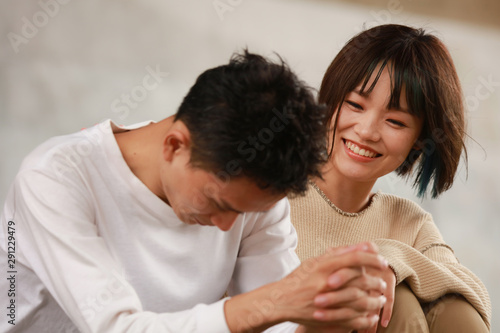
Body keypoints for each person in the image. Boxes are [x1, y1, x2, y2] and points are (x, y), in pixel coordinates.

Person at [0, 51, 389, 333]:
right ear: (174, 145)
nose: (224, 227)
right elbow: (116, 329)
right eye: (218, 204)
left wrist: (339, 297)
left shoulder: (252, 193)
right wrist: (279, 300)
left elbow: (282, 327)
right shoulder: (55, 179)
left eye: (241, 213)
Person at [289, 24, 491, 333]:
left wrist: (388, 256)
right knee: (397, 300)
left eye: (395, 121)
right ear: (329, 101)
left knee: (450, 304)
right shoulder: (270, 196)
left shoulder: (409, 224)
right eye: (355, 105)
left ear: (420, 141)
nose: (367, 130)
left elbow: (473, 300)